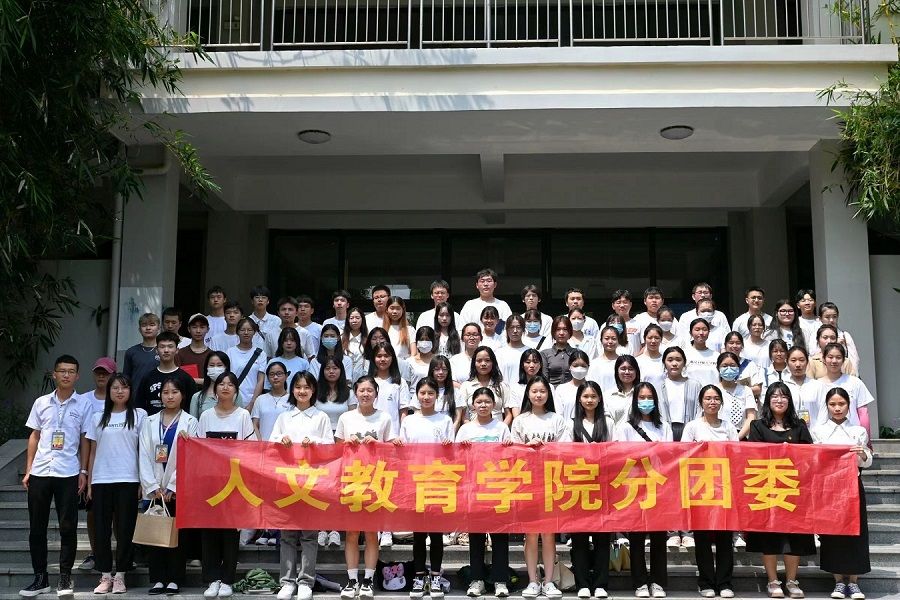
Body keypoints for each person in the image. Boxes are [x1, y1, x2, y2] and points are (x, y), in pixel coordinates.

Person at [20, 355, 92, 598]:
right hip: (41, 471)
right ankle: (40, 578)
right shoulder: (41, 402)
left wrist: (83, 471)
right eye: (62, 371)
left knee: (68, 527)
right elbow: (34, 436)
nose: (66, 375)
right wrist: (29, 469)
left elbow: (85, 439)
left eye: (71, 371)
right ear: (54, 374)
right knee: (36, 528)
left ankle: (64, 577)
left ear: (77, 376)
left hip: (68, 471)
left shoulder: (84, 404)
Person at [745, 383, 815, 599]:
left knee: (794, 537)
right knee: (770, 537)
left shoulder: (799, 425)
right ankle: (773, 581)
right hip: (767, 489)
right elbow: (753, 455)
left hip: (794, 489)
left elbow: (810, 455)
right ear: (768, 400)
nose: (779, 400)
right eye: (774, 396)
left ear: (789, 401)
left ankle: (792, 581)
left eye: (784, 396)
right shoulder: (757, 425)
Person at [270, 371, 334, 600]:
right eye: (298, 387)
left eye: (306, 387)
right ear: (292, 390)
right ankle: (287, 582)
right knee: (287, 534)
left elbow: (330, 446)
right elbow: (270, 443)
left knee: (309, 534)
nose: (302, 391)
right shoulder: (284, 417)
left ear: (313, 390)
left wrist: (314, 442)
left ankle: (306, 581)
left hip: (312, 482)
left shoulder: (321, 417)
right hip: (288, 481)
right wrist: (281, 440)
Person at [336, 376, 397, 600]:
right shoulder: (346, 417)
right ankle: (352, 580)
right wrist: (347, 443)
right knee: (352, 532)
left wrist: (378, 444)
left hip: (376, 480)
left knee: (371, 532)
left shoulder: (385, 417)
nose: (365, 394)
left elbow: (393, 448)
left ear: (376, 394)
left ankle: (368, 580)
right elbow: (335, 448)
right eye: (361, 390)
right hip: (351, 479)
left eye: (370, 390)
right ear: (355, 393)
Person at [198, 372, 258, 599]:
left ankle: (227, 580)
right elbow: (198, 447)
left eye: (230, 384)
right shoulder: (206, 416)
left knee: (231, 533)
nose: (225, 387)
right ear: (215, 390)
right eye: (221, 384)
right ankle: (212, 578)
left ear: (236, 390)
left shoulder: (243, 415)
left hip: (235, 482)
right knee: (209, 531)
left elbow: (250, 448)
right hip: (210, 482)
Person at [138, 376, 199, 595]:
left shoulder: (190, 422)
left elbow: (191, 457)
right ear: (160, 396)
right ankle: (158, 578)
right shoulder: (149, 421)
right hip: (154, 489)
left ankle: (175, 578)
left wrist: (173, 486)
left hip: (177, 489)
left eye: (174, 392)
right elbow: (144, 454)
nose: (170, 396)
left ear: (183, 395)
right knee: (156, 533)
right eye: (165, 392)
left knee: (177, 535)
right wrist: (152, 486)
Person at [86, 373, 146, 595]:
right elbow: (93, 451)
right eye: (115, 388)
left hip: (128, 479)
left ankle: (120, 575)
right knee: (101, 530)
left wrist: (142, 480)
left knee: (125, 529)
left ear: (130, 391)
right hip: (102, 479)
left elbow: (143, 450)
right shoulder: (97, 417)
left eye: (124, 387)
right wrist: (90, 481)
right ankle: (105, 575)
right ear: (109, 391)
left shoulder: (139, 415)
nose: (120, 391)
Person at [395, 378, 455, 599]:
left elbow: (454, 453)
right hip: (415, 481)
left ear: (437, 396)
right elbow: (402, 451)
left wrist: (449, 447)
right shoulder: (409, 421)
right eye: (422, 393)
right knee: (419, 533)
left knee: (436, 533)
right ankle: (419, 577)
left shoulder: (445, 420)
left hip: (438, 480)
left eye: (431, 393)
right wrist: (398, 445)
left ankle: (436, 576)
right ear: (416, 395)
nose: (426, 397)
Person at [512, 375, 570, 599]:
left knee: (548, 534)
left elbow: (565, 450)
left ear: (548, 394)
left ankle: (549, 581)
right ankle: (532, 581)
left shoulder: (557, 419)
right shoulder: (520, 421)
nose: (538, 395)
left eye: (542, 391)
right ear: (528, 394)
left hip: (551, 482)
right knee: (530, 534)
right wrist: (528, 448)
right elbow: (512, 452)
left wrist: (546, 448)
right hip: (527, 482)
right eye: (534, 391)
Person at [811, 387, 872, 600]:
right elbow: (814, 460)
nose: (837, 408)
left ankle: (853, 582)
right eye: (833, 404)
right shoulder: (818, 431)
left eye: (841, 404)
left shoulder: (858, 431)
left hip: (852, 484)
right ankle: (838, 581)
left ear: (848, 405)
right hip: (829, 487)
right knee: (832, 534)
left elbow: (866, 461)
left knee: (856, 532)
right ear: (826, 406)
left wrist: (863, 453)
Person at [614, 382, 672, 598]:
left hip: (658, 486)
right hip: (634, 486)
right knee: (637, 537)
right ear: (635, 400)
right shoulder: (625, 427)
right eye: (642, 397)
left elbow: (670, 455)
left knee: (658, 537)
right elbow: (620, 455)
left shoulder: (663, 427)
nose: (646, 401)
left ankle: (658, 582)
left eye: (649, 398)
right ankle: (639, 582)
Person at [680, 385, 738, 599]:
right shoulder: (692, 427)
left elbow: (737, 453)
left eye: (716, 398)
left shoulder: (729, 426)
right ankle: (705, 581)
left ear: (721, 402)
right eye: (708, 398)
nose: (712, 402)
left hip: (724, 487)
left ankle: (724, 582)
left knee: (725, 537)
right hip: (700, 488)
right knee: (702, 537)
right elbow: (683, 454)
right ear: (701, 402)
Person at [456, 387, 513, 599]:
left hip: (498, 487)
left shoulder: (502, 428)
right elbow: (456, 459)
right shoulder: (465, 429)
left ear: (494, 404)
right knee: (476, 536)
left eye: (487, 402)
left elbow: (511, 457)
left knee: (500, 536)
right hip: (474, 488)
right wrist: (461, 449)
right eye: (479, 402)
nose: (483, 405)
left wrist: (508, 446)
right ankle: (477, 579)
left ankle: (500, 580)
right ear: (473, 405)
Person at [569, 381, 614, 600]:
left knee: (602, 537)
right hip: (578, 486)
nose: (589, 400)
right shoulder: (571, 424)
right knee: (579, 538)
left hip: (602, 485)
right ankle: (583, 583)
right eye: (586, 396)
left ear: (599, 399)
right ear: (579, 399)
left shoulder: (608, 422)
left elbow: (615, 451)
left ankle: (600, 583)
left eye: (593, 396)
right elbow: (564, 453)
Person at [76, 356, 117, 572]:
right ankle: (95, 552)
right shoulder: (84, 400)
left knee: (118, 514)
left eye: (106, 373)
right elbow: (84, 437)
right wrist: (83, 469)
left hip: (118, 465)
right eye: (98, 372)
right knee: (92, 512)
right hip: (93, 465)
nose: (102, 376)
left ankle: (121, 553)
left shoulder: (121, 398)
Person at [315, 356, 354, 549]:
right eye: (328, 368)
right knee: (322, 486)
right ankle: (322, 527)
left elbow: (354, 418)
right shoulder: (316, 392)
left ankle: (336, 530)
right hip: (321, 442)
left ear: (341, 370)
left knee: (339, 487)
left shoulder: (349, 393)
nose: (331, 371)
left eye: (335, 368)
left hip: (342, 443)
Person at [815, 343, 874, 434]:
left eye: (838, 357)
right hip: (824, 437)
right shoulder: (815, 385)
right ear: (823, 359)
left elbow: (863, 413)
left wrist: (866, 438)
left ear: (844, 360)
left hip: (853, 436)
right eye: (830, 357)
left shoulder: (855, 382)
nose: (834, 361)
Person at [135, 331, 197, 416]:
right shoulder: (147, 377)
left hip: (180, 423)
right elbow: (140, 407)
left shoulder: (186, 379)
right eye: (162, 347)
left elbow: (191, 407)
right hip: (152, 422)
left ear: (177, 350)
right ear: (156, 350)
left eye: (170, 346)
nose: (166, 350)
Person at [365, 342, 411, 442]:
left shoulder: (400, 383)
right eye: (379, 356)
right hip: (371, 434)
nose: (382, 359)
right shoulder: (368, 382)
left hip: (393, 436)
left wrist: (402, 435)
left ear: (392, 358)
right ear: (373, 358)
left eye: (386, 356)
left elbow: (403, 412)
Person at [656, 346, 702, 442]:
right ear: (664, 363)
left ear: (684, 363)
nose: (674, 364)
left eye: (678, 360)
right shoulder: (658, 387)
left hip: (689, 431)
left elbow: (699, 410)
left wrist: (696, 432)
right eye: (670, 360)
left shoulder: (695, 385)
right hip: (665, 431)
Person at [460, 345, 513, 426]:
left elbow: (508, 414)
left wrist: (501, 429)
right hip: (474, 431)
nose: (483, 364)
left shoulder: (502, 386)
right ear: (474, 363)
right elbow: (464, 416)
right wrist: (471, 429)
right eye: (479, 361)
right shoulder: (466, 386)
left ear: (493, 362)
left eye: (487, 360)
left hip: (497, 430)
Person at [225, 318, 267, 410]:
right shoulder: (230, 352)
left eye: (250, 330)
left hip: (253, 401)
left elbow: (260, 380)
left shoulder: (261, 354)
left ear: (254, 332)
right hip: (232, 399)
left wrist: (252, 403)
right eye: (242, 330)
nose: (246, 333)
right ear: (237, 332)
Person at [775, 346, 823, 426]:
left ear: (807, 362)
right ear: (787, 363)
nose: (798, 364)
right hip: (788, 430)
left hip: (813, 431)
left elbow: (823, 413)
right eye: (793, 360)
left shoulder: (818, 386)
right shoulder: (781, 386)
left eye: (801, 360)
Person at [716, 351, 758, 440]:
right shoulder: (713, 390)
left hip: (740, 437)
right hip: (717, 437)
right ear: (718, 368)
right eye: (724, 366)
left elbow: (751, 417)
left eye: (732, 365)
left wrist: (736, 438)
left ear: (738, 368)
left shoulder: (746, 390)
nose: (729, 369)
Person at [189, 351, 243, 419]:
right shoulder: (197, 397)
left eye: (219, 365)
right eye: (211, 365)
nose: (215, 368)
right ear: (206, 368)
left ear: (226, 368)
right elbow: (193, 423)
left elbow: (241, 419)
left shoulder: (235, 395)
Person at [251, 361, 292, 443]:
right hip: (263, 446)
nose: (275, 377)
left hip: (285, 446)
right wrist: (260, 443)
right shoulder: (260, 399)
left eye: (279, 374)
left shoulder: (292, 399)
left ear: (286, 376)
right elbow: (254, 424)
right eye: (272, 374)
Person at [122, 312, 160, 392]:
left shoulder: (164, 351)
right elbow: (126, 379)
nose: (148, 328)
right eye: (144, 325)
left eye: (152, 325)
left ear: (158, 328)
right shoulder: (131, 352)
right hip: (136, 396)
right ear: (139, 329)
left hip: (158, 395)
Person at [818, 302, 860, 371]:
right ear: (820, 318)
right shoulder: (815, 335)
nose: (831, 320)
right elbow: (814, 356)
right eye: (827, 317)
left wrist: (852, 374)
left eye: (834, 317)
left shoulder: (845, 335)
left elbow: (854, 359)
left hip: (843, 372)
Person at [585, 326, 627, 391]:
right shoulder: (594, 363)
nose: (610, 341)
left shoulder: (623, 363)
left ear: (618, 340)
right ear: (601, 340)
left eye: (614, 339)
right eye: (607, 338)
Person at [722, 331, 762, 399]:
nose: (734, 346)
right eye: (731, 343)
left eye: (738, 343)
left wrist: (737, 392)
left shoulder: (750, 364)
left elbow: (758, 389)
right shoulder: (719, 364)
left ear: (742, 346)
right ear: (725, 345)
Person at [604, 355, 641, 425]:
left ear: (636, 371)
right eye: (623, 369)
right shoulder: (608, 395)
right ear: (617, 371)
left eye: (631, 369)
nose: (627, 372)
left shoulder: (643, 393)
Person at [553, 350, 590, 420]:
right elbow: (559, 415)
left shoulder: (592, 388)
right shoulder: (561, 389)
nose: (579, 369)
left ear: (588, 367)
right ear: (569, 367)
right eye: (575, 366)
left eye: (583, 366)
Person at [176, 314, 211, 386]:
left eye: (202, 327)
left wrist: (192, 380)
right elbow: (176, 378)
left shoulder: (212, 355)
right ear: (189, 329)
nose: (198, 331)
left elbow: (214, 381)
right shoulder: (180, 353)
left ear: (207, 329)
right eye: (194, 327)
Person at [540, 315, 576, 386]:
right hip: (552, 391)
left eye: (565, 329)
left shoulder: (577, 353)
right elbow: (544, 380)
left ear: (570, 332)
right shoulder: (544, 354)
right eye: (558, 329)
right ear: (553, 332)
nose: (561, 333)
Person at [684, 319, 718, 386]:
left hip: (711, 392)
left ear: (709, 332)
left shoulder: (716, 356)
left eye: (704, 329)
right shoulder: (684, 354)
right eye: (697, 330)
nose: (701, 333)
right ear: (690, 333)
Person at [496, 314, 530, 383]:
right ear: (507, 330)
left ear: (523, 330)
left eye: (518, 327)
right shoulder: (499, 353)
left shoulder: (529, 352)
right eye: (511, 327)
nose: (515, 331)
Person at [405, 326, 438, 394]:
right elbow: (405, 385)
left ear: (433, 341)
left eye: (427, 340)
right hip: (413, 397)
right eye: (422, 339)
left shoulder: (438, 361)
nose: (424, 342)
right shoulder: (409, 362)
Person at [342, 307, 369, 382]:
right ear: (348, 320)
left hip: (363, 378)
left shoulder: (368, 339)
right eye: (351, 318)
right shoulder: (341, 338)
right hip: (344, 378)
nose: (354, 320)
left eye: (357, 318)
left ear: (362, 320)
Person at [610, 289, 641, 354]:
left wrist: (637, 358)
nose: (622, 305)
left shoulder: (639, 324)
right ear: (613, 306)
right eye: (618, 302)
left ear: (630, 304)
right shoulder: (606, 325)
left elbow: (645, 346)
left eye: (625, 302)